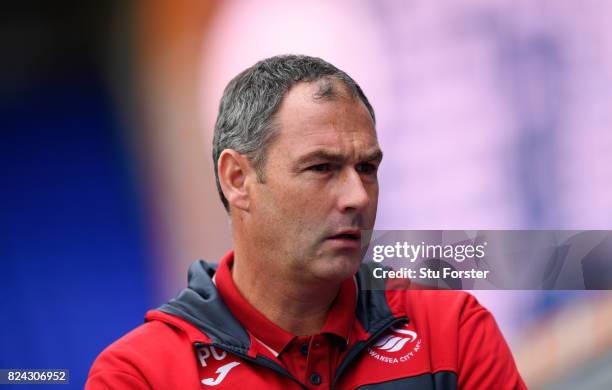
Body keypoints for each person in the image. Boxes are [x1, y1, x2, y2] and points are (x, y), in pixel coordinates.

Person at [86, 55, 526, 389]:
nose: (357, 197)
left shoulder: (449, 328)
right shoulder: (141, 374)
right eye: (321, 168)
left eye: (367, 169)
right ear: (237, 179)